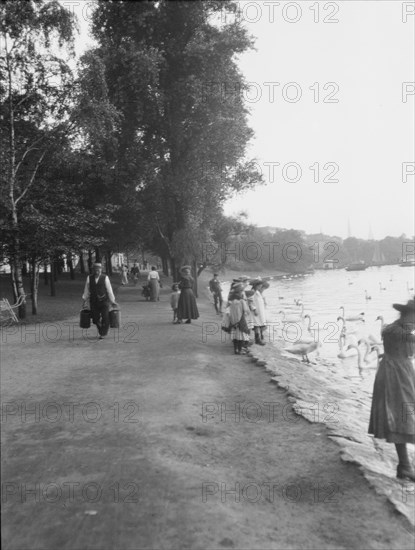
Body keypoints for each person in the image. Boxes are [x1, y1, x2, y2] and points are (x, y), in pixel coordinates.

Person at [368, 298, 415, 481]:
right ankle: (404, 466)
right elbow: (408, 339)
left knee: (405, 416)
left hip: (402, 374)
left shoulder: (402, 329)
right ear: (406, 314)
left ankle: (405, 466)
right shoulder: (394, 330)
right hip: (393, 376)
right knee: (401, 416)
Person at [82, 263, 117, 340]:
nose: (97, 270)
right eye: (95, 269)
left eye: (99, 269)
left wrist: (112, 301)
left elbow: (109, 290)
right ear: (93, 270)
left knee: (106, 317)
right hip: (94, 301)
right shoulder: (89, 278)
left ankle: (103, 332)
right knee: (95, 318)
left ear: (101, 269)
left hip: (104, 301)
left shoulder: (105, 277)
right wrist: (84, 299)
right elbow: (86, 290)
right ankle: (101, 330)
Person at [228, 283, 250, 354]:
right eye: (241, 292)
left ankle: (235, 350)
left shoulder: (231, 301)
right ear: (240, 292)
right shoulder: (242, 301)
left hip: (233, 320)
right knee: (241, 336)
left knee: (235, 336)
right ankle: (240, 350)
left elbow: (229, 311)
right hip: (240, 320)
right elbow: (246, 311)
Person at [251, 279, 267, 345]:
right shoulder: (253, 292)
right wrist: (254, 309)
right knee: (256, 325)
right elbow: (250, 301)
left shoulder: (257, 292)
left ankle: (259, 338)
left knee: (259, 324)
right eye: (260, 285)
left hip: (260, 311)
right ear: (256, 285)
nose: (261, 286)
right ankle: (257, 339)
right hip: (256, 311)